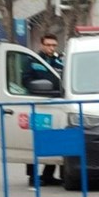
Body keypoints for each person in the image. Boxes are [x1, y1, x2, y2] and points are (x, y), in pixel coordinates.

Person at [28, 33, 64, 186]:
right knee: (35, 141)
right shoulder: (33, 61)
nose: (51, 48)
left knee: (54, 140)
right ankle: (32, 177)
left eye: (53, 45)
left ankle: (48, 174)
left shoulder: (59, 61)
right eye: (48, 45)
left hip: (55, 104)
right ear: (42, 45)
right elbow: (27, 80)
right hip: (38, 104)